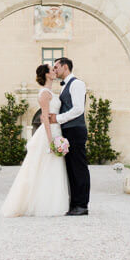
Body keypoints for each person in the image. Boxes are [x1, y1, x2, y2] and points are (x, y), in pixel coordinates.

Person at [0, 64, 70, 217]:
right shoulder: (44, 93)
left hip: (57, 130)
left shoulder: (52, 91)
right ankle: (43, 204)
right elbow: (44, 116)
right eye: (52, 70)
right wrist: (51, 140)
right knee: (44, 166)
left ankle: (54, 201)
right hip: (49, 133)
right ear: (46, 74)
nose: (55, 71)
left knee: (53, 167)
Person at [53, 57, 89, 216]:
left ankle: (82, 205)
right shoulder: (64, 86)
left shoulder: (77, 84)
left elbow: (78, 109)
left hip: (76, 130)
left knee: (79, 168)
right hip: (68, 130)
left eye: (56, 67)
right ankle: (74, 204)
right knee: (71, 169)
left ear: (65, 67)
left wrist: (58, 119)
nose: (54, 70)